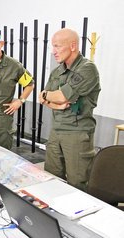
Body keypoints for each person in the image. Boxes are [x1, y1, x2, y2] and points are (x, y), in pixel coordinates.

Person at [39, 28, 101, 191]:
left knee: (77, 184)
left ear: (73, 46)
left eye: (57, 46)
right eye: (53, 46)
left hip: (77, 133)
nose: (53, 52)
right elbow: (43, 98)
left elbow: (60, 96)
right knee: (51, 179)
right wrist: (57, 102)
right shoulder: (57, 71)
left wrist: (55, 97)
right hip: (56, 131)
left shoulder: (87, 69)